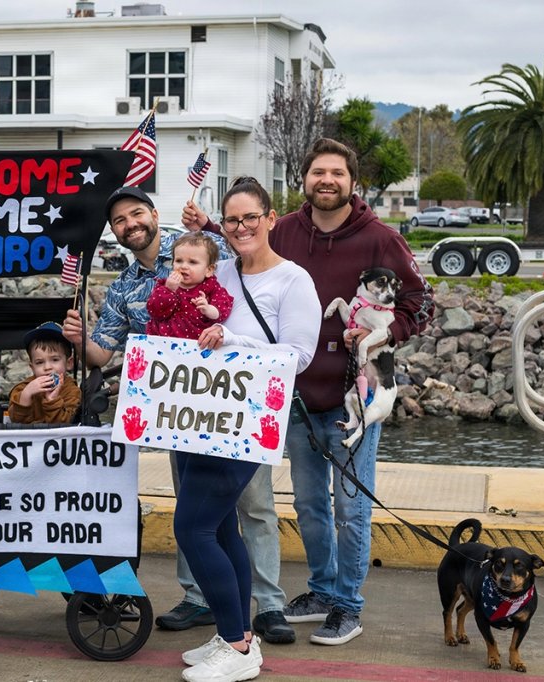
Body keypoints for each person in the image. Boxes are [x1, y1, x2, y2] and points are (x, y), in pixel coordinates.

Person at [183, 138, 433, 646]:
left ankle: (348, 605)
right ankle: (321, 589)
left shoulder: (381, 238)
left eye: (336, 173)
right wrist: (208, 228)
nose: (327, 180)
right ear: (304, 180)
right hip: (293, 397)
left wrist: (383, 332)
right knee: (310, 503)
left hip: (354, 397)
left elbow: (420, 304)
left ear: (352, 182)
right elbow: (245, 241)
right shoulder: (287, 230)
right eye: (318, 171)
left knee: (351, 507)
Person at [62, 187, 303, 643]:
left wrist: (211, 221)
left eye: (137, 213)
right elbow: (98, 354)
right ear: (113, 232)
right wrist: (78, 337)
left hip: (229, 407)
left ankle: (268, 607)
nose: (130, 224)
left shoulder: (195, 248)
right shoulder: (123, 287)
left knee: (252, 505)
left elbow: (241, 248)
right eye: (119, 221)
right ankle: (201, 601)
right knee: (202, 515)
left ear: (154, 214)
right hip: (176, 414)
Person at [178, 176, 320, 682]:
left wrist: (233, 338)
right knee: (218, 526)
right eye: (232, 219)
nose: (240, 228)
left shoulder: (293, 280)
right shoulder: (221, 272)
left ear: (270, 219)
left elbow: (298, 357)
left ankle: (238, 648)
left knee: (191, 527)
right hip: (200, 414)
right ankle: (231, 631)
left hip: (246, 420)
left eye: (249, 218)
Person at [146, 230, 234, 339]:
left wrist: (208, 309)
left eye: (192, 262)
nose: (183, 266)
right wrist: (168, 290)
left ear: (209, 270)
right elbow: (154, 312)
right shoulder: (165, 286)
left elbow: (222, 311)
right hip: (163, 344)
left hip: (196, 345)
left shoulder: (211, 288)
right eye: (179, 260)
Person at [8, 321, 81, 424]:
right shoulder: (22, 388)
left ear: (69, 363)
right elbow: (15, 421)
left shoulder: (71, 391)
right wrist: (26, 395)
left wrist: (52, 401)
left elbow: (66, 424)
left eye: (55, 360)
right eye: (40, 362)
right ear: (32, 367)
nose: (47, 367)